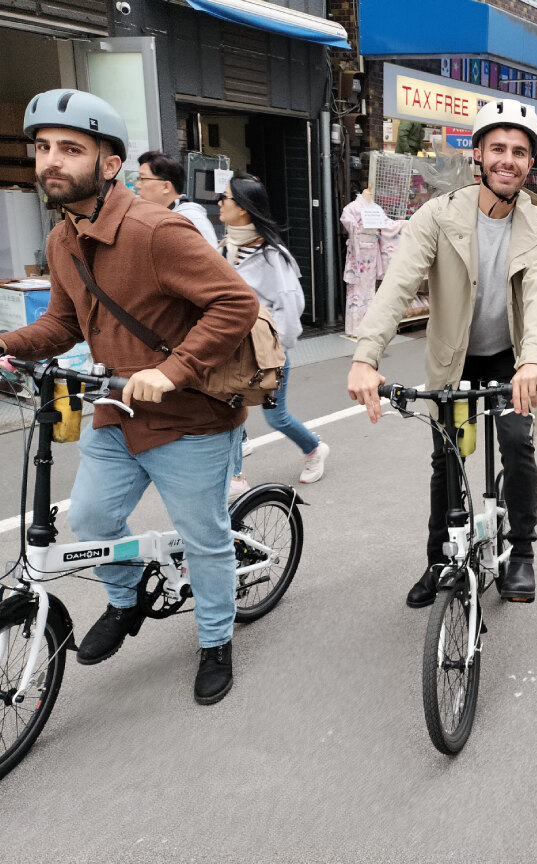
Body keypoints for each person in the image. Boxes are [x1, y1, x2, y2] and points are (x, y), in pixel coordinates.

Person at [0, 89, 259, 704]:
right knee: (88, 519)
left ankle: (216, 640)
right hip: (117, 412)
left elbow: (237, 303)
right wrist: (5, 342)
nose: (50, 162)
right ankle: (126, 599)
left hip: (190, 419)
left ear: (109, 163)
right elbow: (64, 323)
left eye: (70, 149)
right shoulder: (65, 240)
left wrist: (174, 369)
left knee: (204, 539)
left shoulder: (154, 230)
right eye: (42, 149)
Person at [346, 98, 537, 607]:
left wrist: (533, 359)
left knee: (517, 442)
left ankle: (522, 551)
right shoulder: (437, 217)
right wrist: (365, 357)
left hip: (511, 358)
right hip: (455, 358)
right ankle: (439, 558)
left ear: (530, 164)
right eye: (499, 148)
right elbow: (397, 288)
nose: (509, 159)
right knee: (448, 456)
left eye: (520, 152)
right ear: (479, 154)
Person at [218, 173, 328, 496]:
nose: (219, 203)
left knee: (275, 417)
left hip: (265, 354)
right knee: (230, 411)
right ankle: (236, 475)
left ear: (245, 210)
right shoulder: (225, 249)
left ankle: (314, 449)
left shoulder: (271, 257)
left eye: (226, 198)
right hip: (231, 352)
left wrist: (274, 346)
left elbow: (292, 309)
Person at [134, 150, 218, 246]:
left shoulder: (192, 219)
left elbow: (211, 259)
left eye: (143, 179)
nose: (137, 185)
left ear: (166, 187)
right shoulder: (157, 217)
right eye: (138, 179)